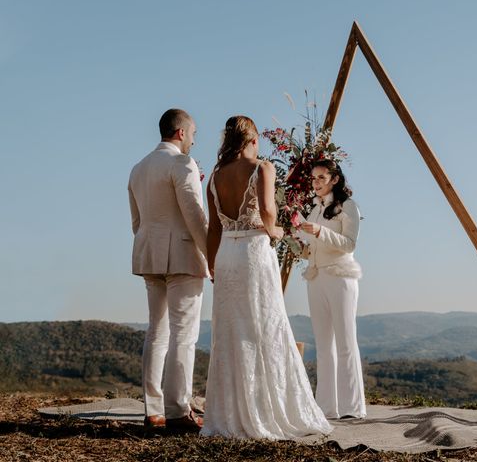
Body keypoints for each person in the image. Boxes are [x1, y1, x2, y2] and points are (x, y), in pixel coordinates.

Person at [201, 115, 332, 439]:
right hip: (253, 253)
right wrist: (278, 230)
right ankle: (266, 411)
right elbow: (268, 214)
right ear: (253, 139)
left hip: (226, 257)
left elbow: (213, 227)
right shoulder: (262, 168)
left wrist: (211, 264)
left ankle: (231, 414)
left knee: (230, 333)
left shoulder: (214, 176)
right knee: (263, 328)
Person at [128, 108, 207, 430]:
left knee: (156, 331)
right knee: (183, 335)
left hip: (148, 253)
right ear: (180, 133)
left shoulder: (137, 168)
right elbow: (194, 214)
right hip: (183, 255)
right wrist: (210, 254)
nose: (193, 141)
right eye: (193, 134)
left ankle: (153, 410)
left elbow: (137, 222)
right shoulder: (181, 163)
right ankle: (178, 411)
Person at [298, 159, 366, 420]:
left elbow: (349, 244)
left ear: (335, 179)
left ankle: (352, 408)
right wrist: (301, 245)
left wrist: (318, 233)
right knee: (324, 345)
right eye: (313, 178)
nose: (316, 183)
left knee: (346, 342)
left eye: (321, 178)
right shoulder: (314, 208)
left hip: (340, 277)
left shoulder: (349, 206)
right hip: (316, 277)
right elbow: (312, 246)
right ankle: (327, 408)